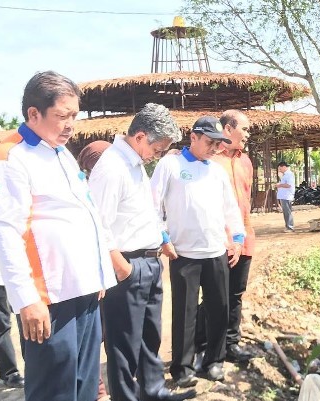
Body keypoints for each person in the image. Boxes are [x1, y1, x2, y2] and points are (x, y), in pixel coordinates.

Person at [0, 70, 117, 401]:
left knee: (83, 384)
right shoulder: (11, 156)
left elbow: (85, 212)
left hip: (84, 289)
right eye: (62, 116)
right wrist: (26, 300)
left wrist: (98, 273)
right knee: (54, 391)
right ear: (34, 114)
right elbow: (7, 231)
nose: (70, 125)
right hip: (49, 298)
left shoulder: (60, 153)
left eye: (74, 116)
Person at [88, 103, 195, 401]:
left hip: (149, 262)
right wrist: (120, 266)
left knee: (150, 335)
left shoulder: (134, 165)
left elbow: (143, 212)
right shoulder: (112, 168)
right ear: (140, 137)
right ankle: (126, 396)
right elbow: (98, 223)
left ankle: (152, 390)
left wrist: (160, 238)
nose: (157, 156)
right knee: (124, 342)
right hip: (128, 264)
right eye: (157, 149)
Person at [151, 116, 245, 385]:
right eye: (209, 142)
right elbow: (153, 205)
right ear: (193, 137)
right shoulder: (170, 165)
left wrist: (237, 238)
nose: (214, 148)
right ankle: (182, 368)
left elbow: (230, 208)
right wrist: (163, 237)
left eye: (218, 144)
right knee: (185, 313)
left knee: (219, 309)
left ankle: (214, 361)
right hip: (183, 254)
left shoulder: (216, 171)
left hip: (216, 251)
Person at [194, 110, 254, 366]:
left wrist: (243, 237)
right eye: (245, 128)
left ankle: (231, 343)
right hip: (218, 242)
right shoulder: (208, 162)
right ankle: (202, 345)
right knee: (213, 297)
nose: (248, 133)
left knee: (235, 296)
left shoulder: (246, 162)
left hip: (244, 239)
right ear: (227, 129)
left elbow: (245, 203)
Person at [77, 140, 113, 401]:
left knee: (107, 333)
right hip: (89, 275)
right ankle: (97, 390)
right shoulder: (83, 191)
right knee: (92, 337)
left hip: (110, 271)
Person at [276, 161, 295, 232]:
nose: (279, 170)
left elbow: (288, 185)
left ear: (284, 167)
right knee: (286, 212)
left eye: (280, 169)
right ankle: (288, 226)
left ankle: (290, 227)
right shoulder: (284, 175)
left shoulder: (289, 175)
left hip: (287, 196)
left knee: (287, 212)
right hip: (284, 196)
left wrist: (279, 185)